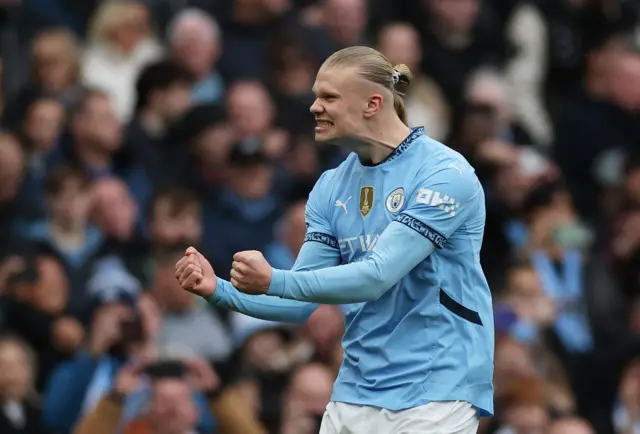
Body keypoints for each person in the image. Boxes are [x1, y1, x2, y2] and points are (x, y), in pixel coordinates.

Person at [175, 46, 494, 434]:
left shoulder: (445, 173)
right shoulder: (331, 186)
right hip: (357, 390)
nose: (314, 107)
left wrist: (274, 279)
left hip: (437, 388)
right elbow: (298, 306)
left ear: (373, 103)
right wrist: (218, 289)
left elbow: (377, 276)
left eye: (328, 97)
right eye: (315, 96)